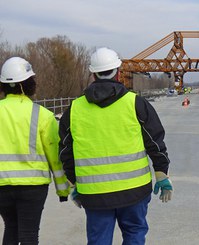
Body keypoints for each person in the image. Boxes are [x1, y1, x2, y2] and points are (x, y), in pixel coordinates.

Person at [59, 47, 173, 245]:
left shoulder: (74, 109)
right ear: (119, 72)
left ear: (93, 74)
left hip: (94, 194)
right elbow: (155, 141)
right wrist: (161, 174)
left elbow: (65, 151)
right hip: (134, 191)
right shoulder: (135, 103)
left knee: (99, 241)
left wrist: (74, 182)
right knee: (135, 235)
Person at [0, 57, 70, 245]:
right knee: (29, 234)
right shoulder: (43, 115)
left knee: (11, 227)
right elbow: (55, 157)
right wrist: (63, 190)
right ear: (27, 84)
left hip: (2, 185)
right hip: (33, 187)